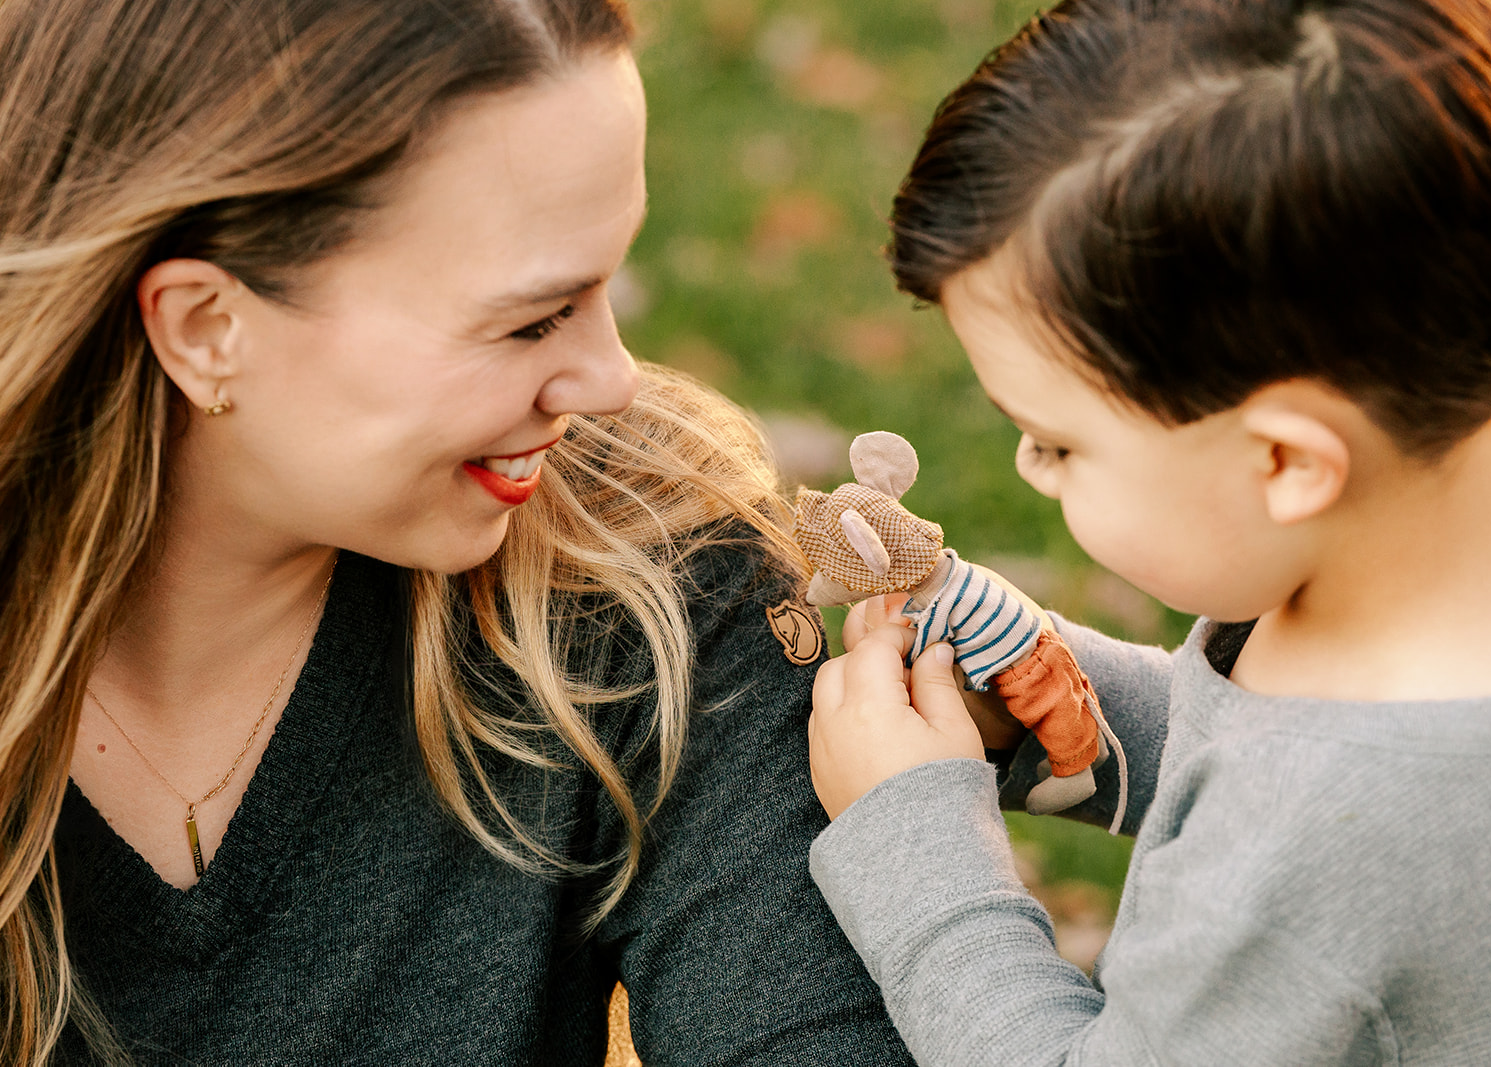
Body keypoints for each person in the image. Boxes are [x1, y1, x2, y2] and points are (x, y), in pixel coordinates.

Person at [0, 1, 916, 1063]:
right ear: (209, 328)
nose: (612, 381)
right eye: (532, 318)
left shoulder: (653, 568)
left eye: (604, 286)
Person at [806, 0, 1491, 1062]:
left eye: (1057, 442)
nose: (1025, 468)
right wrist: (1055, 691)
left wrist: (915, 837)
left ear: (1284, 462)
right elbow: (1273, 753)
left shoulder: (1295, 865)